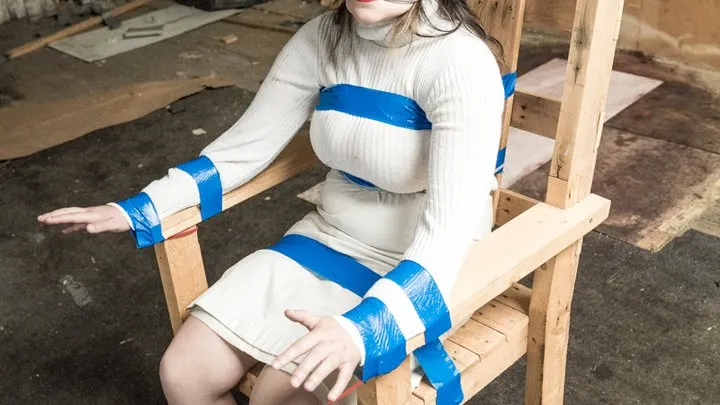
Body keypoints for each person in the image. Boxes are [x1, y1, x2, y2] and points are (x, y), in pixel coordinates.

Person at [38, 0, 506, 403]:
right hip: (330, 236)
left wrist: (366, 327)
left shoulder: (460, 61)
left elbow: (448, 232)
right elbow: (246, 147)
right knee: (184, 374)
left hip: (424, 264)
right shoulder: (324, 35)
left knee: (280, 393)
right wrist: (143, 206)